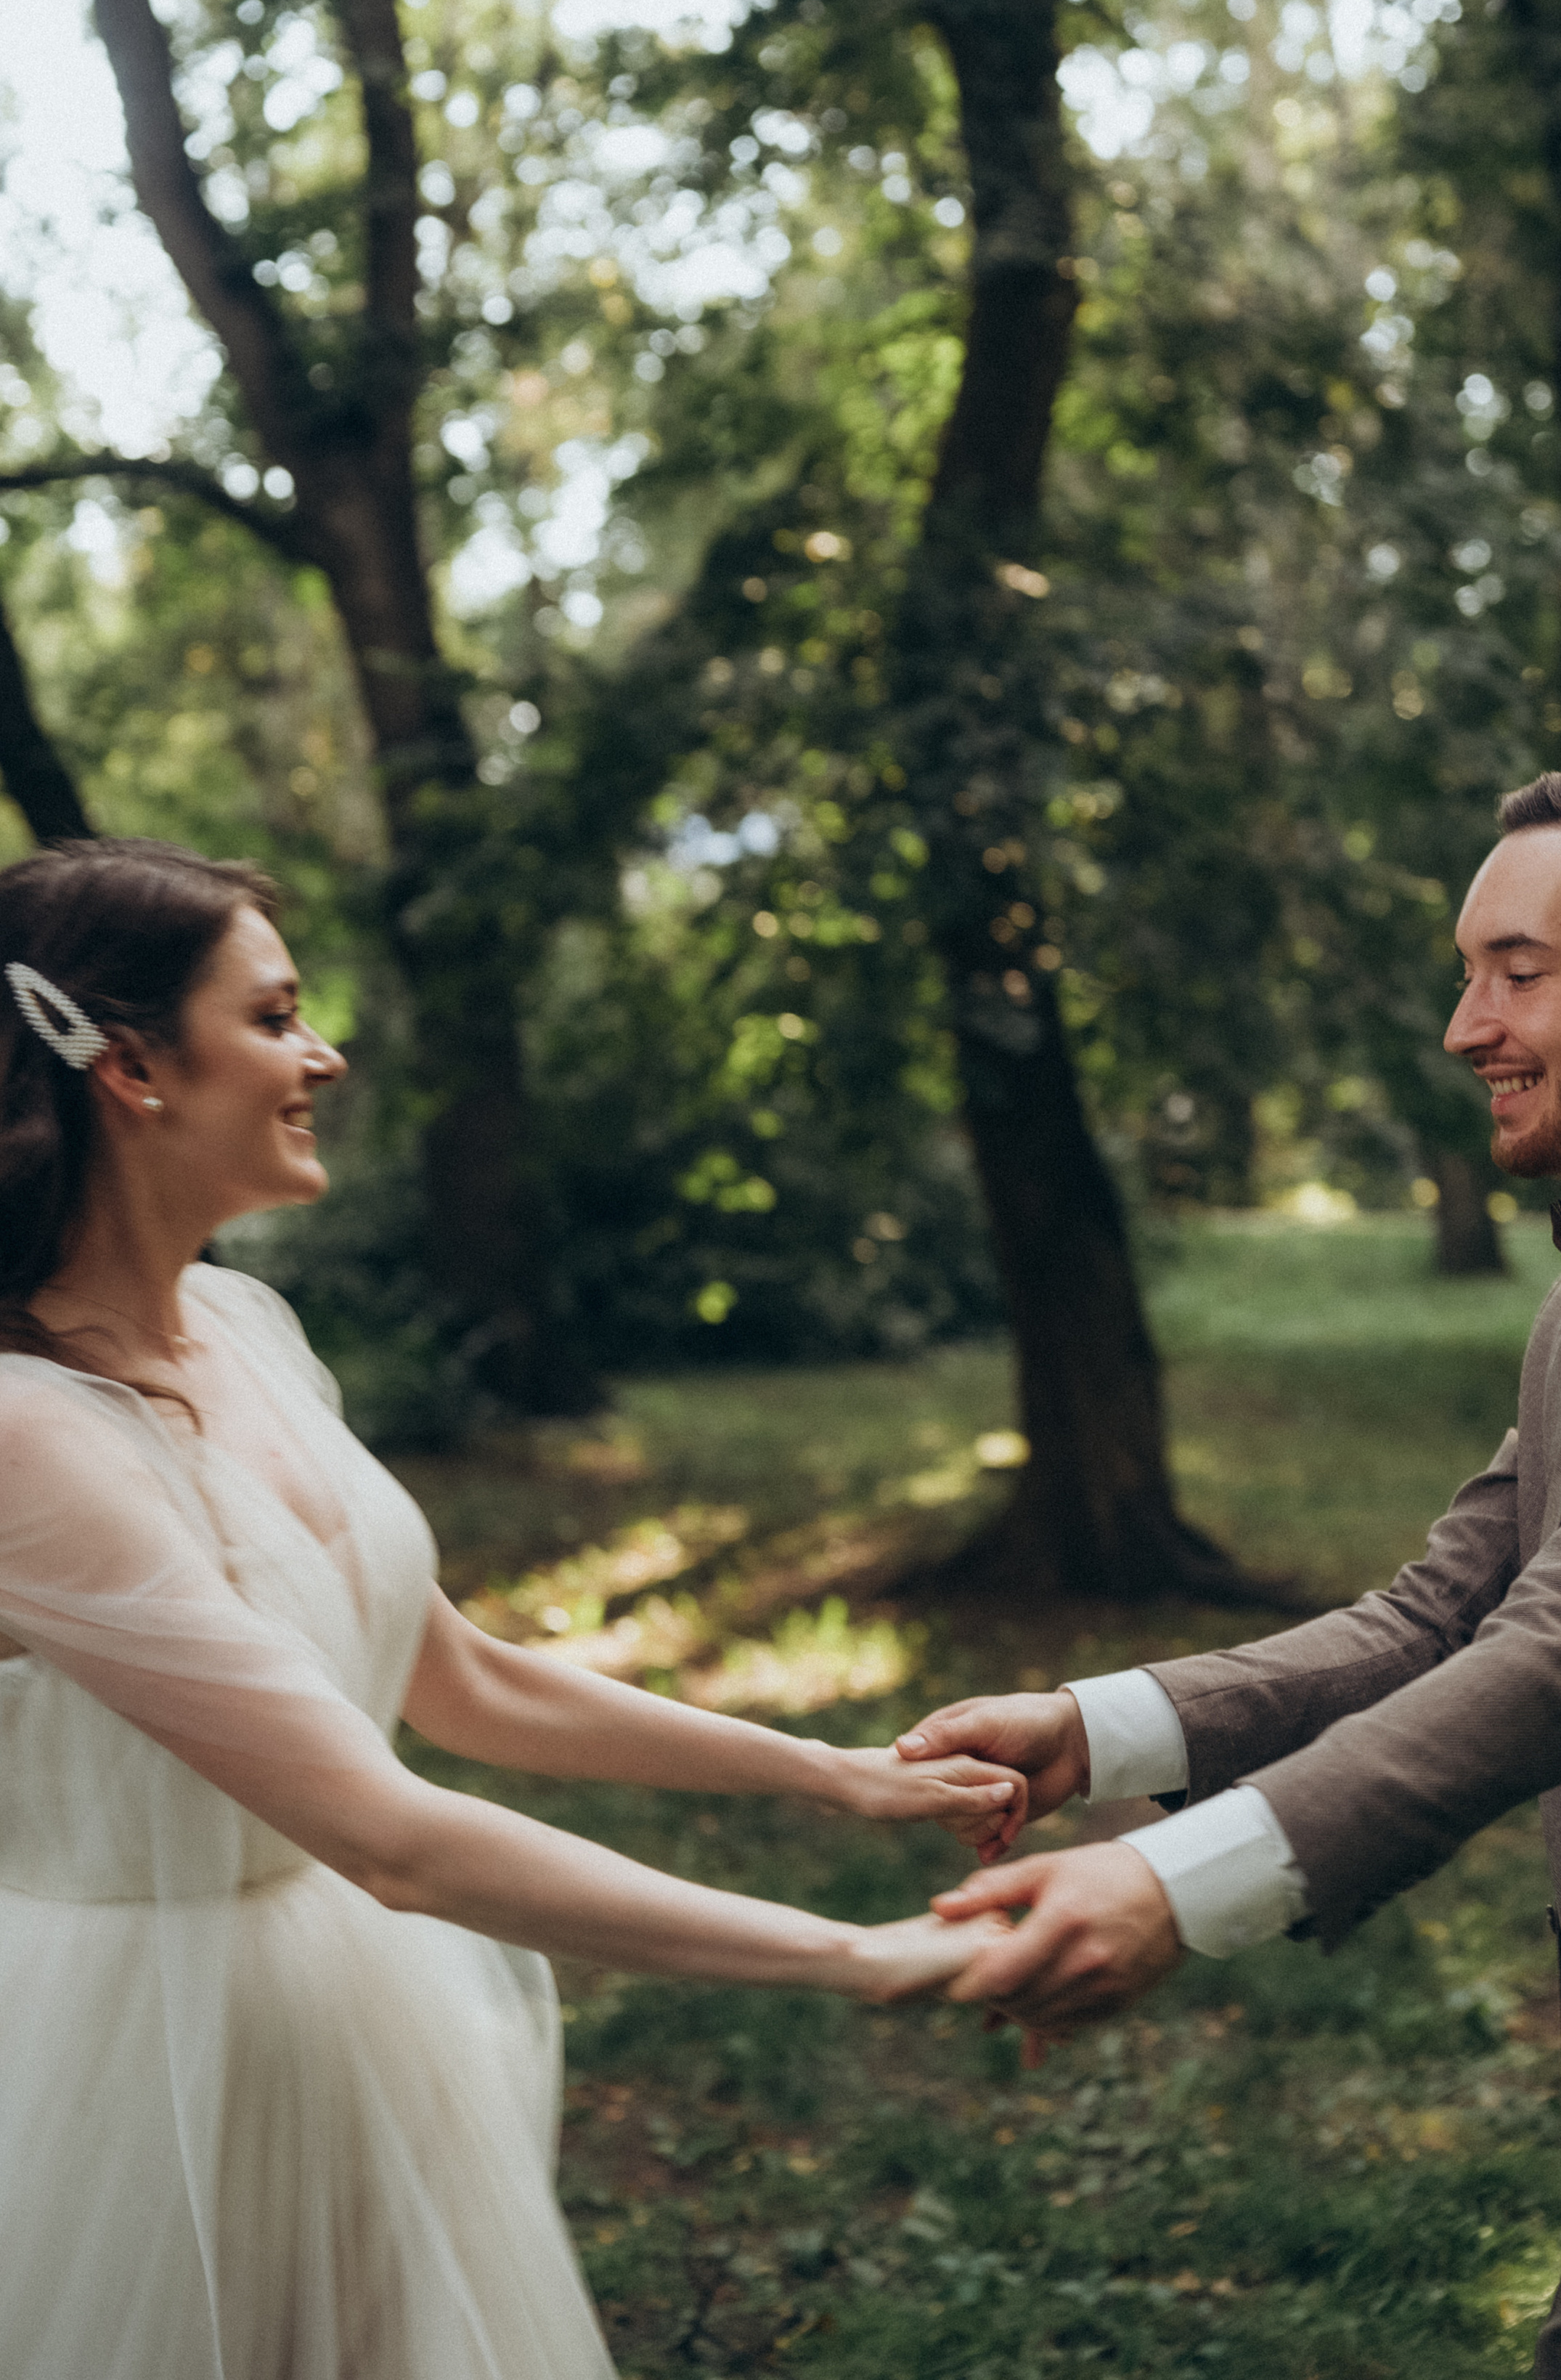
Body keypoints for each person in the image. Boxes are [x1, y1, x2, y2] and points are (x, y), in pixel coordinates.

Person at [0, 836, 1018, 2380]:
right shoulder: (30, 1434)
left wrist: (833, 1774)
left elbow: (461, 1676)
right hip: (131, 2064)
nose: (322, 1054)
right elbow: (394, 1837)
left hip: (336, 2023)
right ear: (131, 1066)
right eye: (274, 1017)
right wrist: (857, 1958)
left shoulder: (244, 1321)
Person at [906, 768, 1561, 2379]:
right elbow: (1438, 1614)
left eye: (1514, 968)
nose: (1459, 1024)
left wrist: (1176, 1883)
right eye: (1464, 969)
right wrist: (1093, 1730)